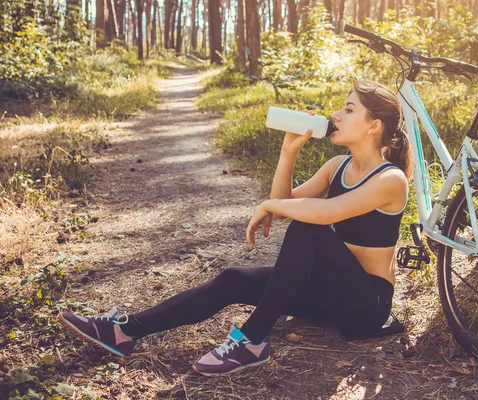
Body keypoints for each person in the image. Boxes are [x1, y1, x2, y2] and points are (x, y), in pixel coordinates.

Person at [58, 79, 413, 377]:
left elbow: (323, 213)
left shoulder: (390, 179)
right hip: (329, 292)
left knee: (310, 228)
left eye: (349, 109)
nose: (336, 114)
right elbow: (286, 202)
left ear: (373, 125)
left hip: (367, 305)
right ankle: (125, 330)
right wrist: (288, 153)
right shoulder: (337, 166)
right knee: (232, 279)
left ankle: (253, 339)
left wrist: (272, 207)